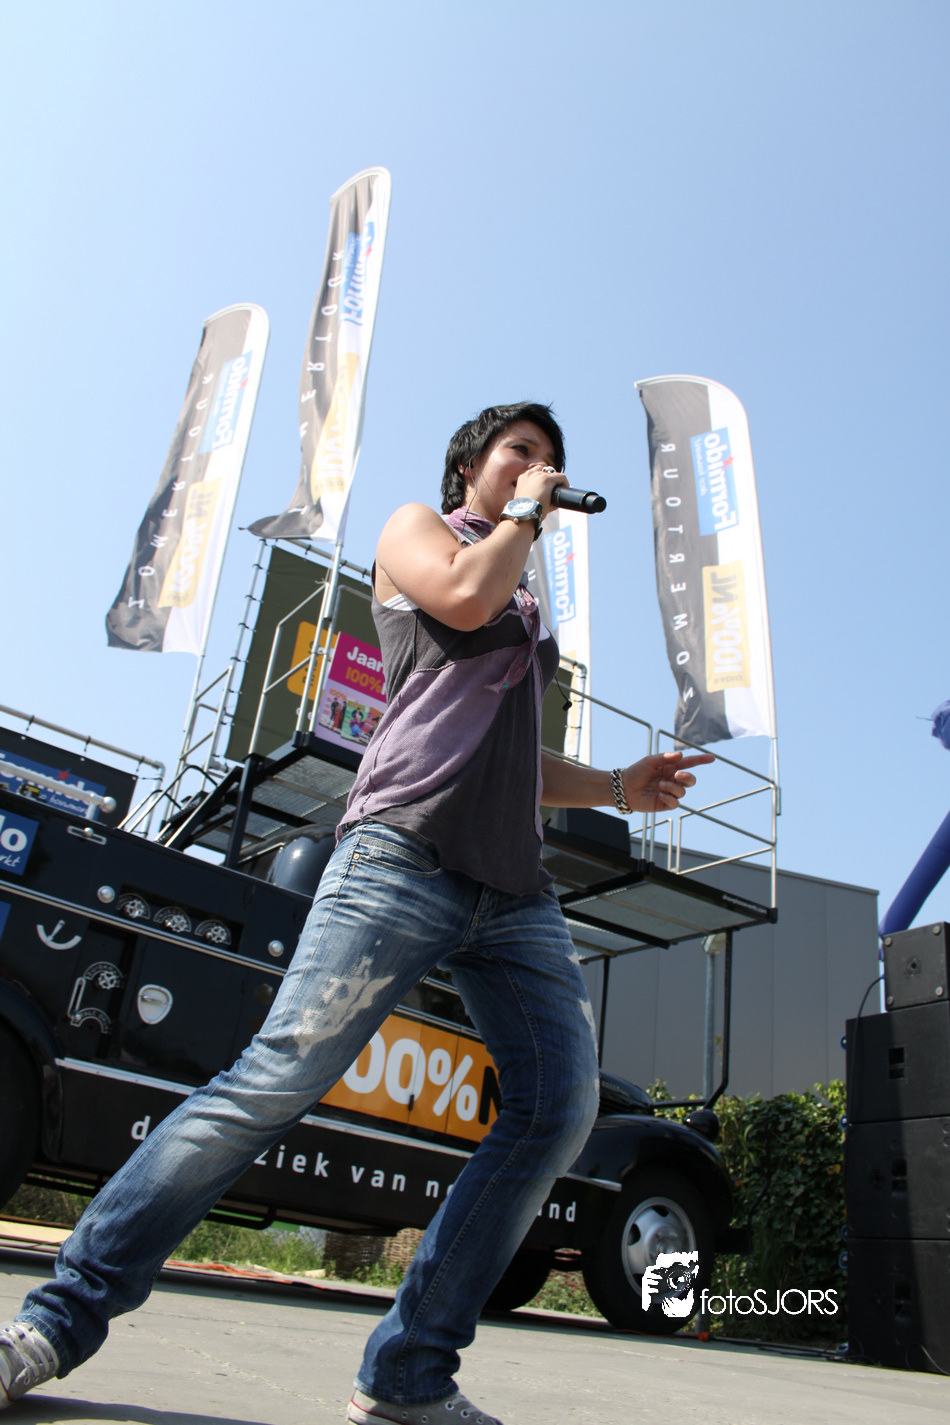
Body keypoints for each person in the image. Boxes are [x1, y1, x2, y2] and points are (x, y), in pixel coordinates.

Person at [0, 401, 713, 1424]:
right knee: (275, 1080)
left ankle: (408, 1376)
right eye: (521, 452)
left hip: (511, 890)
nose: (542, 467)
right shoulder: (419, 533)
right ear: (470, 468)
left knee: (560, 1107)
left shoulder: (522, 588)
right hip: (401, 854)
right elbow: (460, 597)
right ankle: (53, 1324)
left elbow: (510, 754)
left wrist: (615, 786)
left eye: (552, 460)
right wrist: (524, 513)